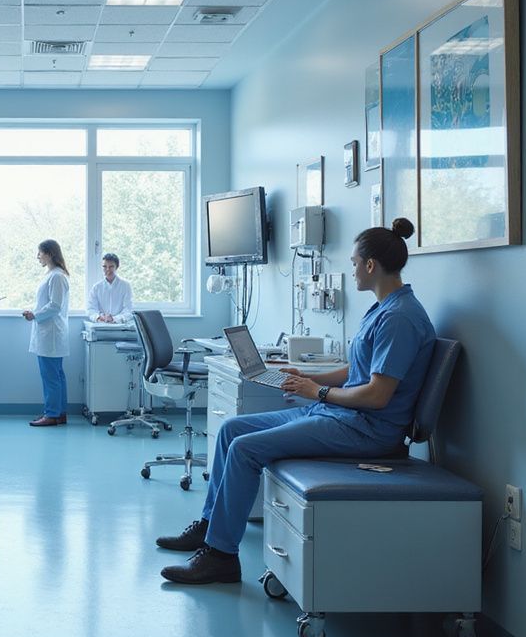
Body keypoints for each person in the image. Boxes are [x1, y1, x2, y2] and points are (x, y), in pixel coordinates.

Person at [157, 218, 435, 585]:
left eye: (353, 263)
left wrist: (315, 393)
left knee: (244, 449)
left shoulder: (399, 318)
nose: (351, 270)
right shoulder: (384, 308)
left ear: (370, 265)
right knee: (231, 430)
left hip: (367, 429)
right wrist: (309, 378)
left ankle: (222, 557)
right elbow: (359, 370)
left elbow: (378, 395)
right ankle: (210, 528)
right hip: (340, 414)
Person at [22, 239, 71, 427]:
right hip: (51, 332)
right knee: (56, 375)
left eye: (40, 253)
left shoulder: (57, 276)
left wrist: (34, 315)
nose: (38, 257)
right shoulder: (53, 275)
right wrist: (35, 313)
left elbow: (55, 305)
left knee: (51, 376)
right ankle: (59, 413)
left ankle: (51, 414)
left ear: (49, 254)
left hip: (51, 333)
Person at [87, 253, 133, 323]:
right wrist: (99, 317)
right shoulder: (96, 288)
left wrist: (114, 319)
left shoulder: (125, 286)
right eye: (104, 266)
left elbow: (128, 310)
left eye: (111, 266)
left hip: (120, 326)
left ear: (116, 267)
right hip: (101, 325)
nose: (107, 269)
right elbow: (91, 309)